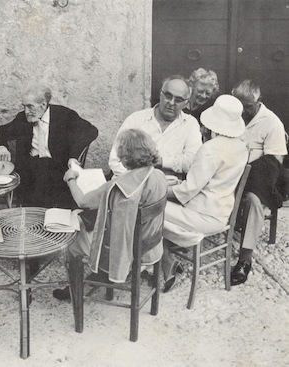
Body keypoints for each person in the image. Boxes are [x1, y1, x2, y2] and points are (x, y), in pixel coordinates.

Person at [53, 129, 167, 300]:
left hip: (126, 252)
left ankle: (74, 290)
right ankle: (99, 275)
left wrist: (70, 179)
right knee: (92, 220)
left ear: (125, 157)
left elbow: (83, 201)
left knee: (74, 232)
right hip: (149, 244)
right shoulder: (158, 174)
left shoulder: (117, 186)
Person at [162, 95, 249, 292]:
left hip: (203, 217)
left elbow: (188, 190)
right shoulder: (241, 146)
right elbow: (208, 183)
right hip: (221, 213)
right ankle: (162, 261)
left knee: (147, 207)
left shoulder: (210, 149)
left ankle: (160, 262)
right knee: (153, 207)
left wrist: (159, 189)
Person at [0, 83, 98, 208]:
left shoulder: (64, 115)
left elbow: (91, 131)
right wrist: (2, 147)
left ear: (43, 104)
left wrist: (74, 156)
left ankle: (44, 216)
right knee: (39, 176)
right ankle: (37, 216)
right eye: (24, 106)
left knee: (46, 175)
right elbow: (2, 131)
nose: (26, 111)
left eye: (30, 106)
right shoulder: (22, 118)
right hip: (30, 169)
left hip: (57, 168)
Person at [230, 80, 288, 285]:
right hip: (230, 171)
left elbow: (275, 162)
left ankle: (245, 257)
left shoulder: (272, 123)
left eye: (248, 106)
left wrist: (249, 166)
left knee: (253, 201)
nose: (243, 110)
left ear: (258, 101)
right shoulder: (231, 115)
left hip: (260, 176)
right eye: (240, 105)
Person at [109, 75, 202, 179]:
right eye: (168, 96)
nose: (171, 103)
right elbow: (115, 159)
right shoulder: (136, 119)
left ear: (186, 103)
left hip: (167, 188)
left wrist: (162, 162)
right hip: (131, 184)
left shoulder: (190, 124)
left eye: (178, 100)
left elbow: (193, 161)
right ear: (160, 94)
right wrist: (139, 181)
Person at [183, 68, 220, 141]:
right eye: (200, 91)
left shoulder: (211, 109)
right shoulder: (181, 104)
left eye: (208, 93)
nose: (203, 96)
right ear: (192, 87)